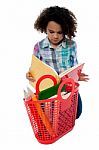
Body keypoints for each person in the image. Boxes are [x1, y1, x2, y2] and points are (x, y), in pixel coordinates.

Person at [26, 6, 89, 119]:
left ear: (66, 30)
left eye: (60, 32)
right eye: (51, 32)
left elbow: (74, 66)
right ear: (44, 28)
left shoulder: (71, 45)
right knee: (47, 116)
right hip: (49, 89)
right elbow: (34, 69)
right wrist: (30, 75)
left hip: (67, 86)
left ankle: (62, 111)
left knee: (77, 113)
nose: (55, 36)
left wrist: (77, 75)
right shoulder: (39, 47)